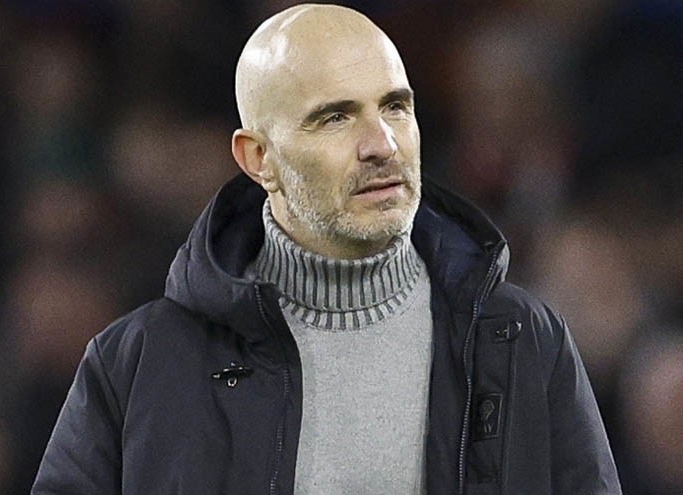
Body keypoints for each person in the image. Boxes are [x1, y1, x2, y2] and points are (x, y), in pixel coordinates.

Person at [32, 4, 621, 494]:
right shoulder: (136, 366)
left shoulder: (523, 340)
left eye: (395, 106)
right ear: (258, 158)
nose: (381, 144)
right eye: (335, 118)